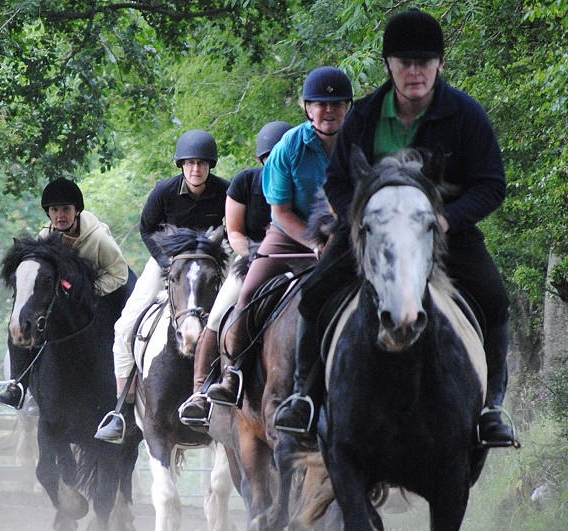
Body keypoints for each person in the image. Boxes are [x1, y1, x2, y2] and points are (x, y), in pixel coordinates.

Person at [272, 8, 517, 449]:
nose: (415, 72)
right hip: (372, 238)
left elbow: (492, 184)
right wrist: (360, 223)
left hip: (442, 235)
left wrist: (448, 219)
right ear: (389, 65)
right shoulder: (363, 116)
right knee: (313, 293)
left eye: (425, 61)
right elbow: (336, 182)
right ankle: (302, 398)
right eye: (405, 62)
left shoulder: (465, 115)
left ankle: (491, 409)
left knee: (495, 299)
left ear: (440, 64)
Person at [206, 67, 353, 407]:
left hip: (348, 231)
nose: (328, 111)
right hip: (291, 233)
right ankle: (234, 374)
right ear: (307, 108)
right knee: (248, 294)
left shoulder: (363, 142)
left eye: (336, 103)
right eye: (319, 104)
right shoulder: (289, 146)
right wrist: (315, 242)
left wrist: (339, 237)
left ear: (348, 106)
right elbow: (280, 211)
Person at [94, 130, 229, 443]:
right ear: (181, 165)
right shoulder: (164, 191)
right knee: (125, 325)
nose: (196, 169)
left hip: (211, 262)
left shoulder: (225, 191)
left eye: (202, 163)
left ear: (210, 165)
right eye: (190, 163)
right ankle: (122, 410)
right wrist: (167, 264)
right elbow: (146, 229)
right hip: (169, 262)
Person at [177, 120, 294, 426]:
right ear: (262, 158)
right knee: (217, 315)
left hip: (302, 257)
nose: (277, 161)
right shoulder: (244, 183)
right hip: (253, 260)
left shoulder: (305, 179)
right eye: (271, 156)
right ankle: (202, 391)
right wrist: (254, 255)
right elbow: (235, 233)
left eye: (283, 153)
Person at [0, 178, 129, 409]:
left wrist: (88, 290)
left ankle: (129, 396)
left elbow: (119, 274)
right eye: (54, 210)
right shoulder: (45, 237)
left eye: (66, 209)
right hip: (66, 293)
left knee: (131, 323)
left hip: (107, 284)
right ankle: (18, 386)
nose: (60, 215)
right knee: (21, 320)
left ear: (76, 211)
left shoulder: (98, 239)